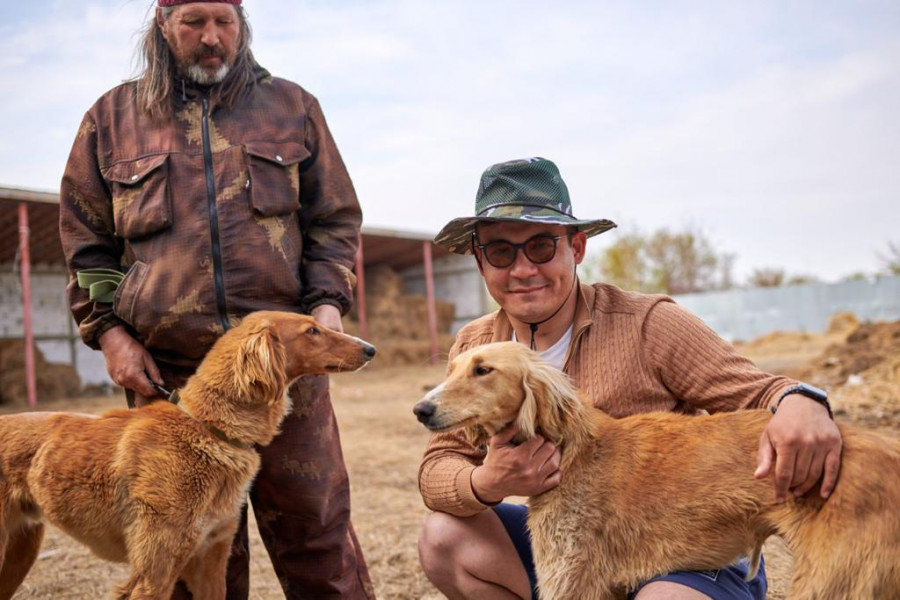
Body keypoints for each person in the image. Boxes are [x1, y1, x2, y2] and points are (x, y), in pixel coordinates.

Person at [417, 157, 842, 600]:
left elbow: (760, 392)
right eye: (500, 251)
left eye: (541, 246)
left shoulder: (649, 323)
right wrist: (488, 483)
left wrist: (801, 399)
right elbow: (436, 468)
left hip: (684, 552)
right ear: (480, 262)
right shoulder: (476, 345)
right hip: (578, 548)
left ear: (576, 248)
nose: (522, 270)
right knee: (442, 538)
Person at [59, 1, 374, 598]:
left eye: (224, 21)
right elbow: (86, 245)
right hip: (170, 378)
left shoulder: (292, 107)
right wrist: (110, 333)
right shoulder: (111, 118)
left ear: (242, 21)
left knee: (317, 535)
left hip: (286, 370)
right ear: (162, 20)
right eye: (194, 22)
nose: (212, 38)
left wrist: (327, 305)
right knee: (188, 550)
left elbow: (334, 222)